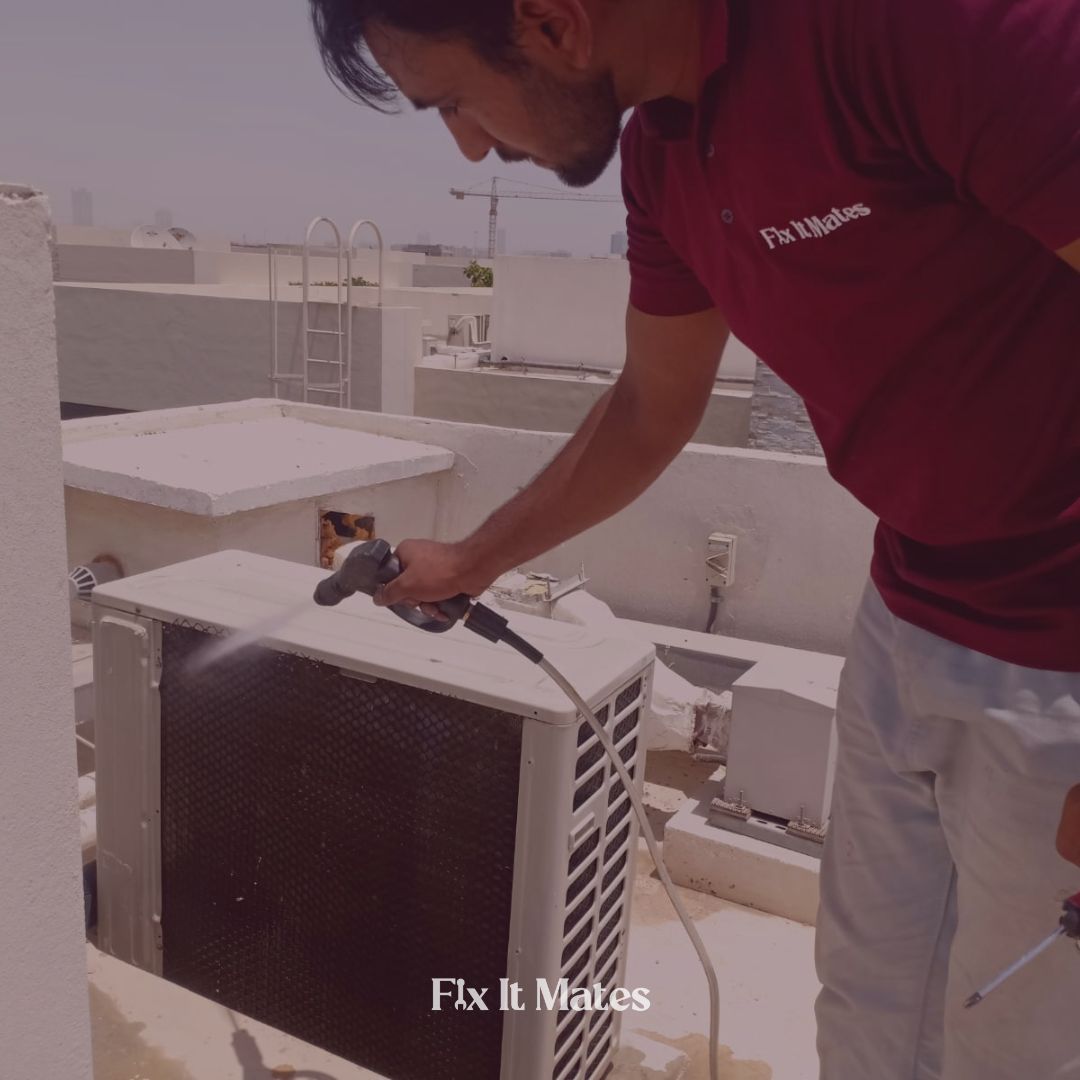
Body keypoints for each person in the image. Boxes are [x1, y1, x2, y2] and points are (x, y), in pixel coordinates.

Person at [305, 1, 1080, 1075]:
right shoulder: (666, 154)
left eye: (455, 103)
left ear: (554, 21)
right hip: (906, 616)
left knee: (1021, 1044)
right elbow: (650, 409)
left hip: (1060, 667)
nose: (471, 146)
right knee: (868, 1018)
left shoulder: (916, 29)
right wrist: (471, 561)